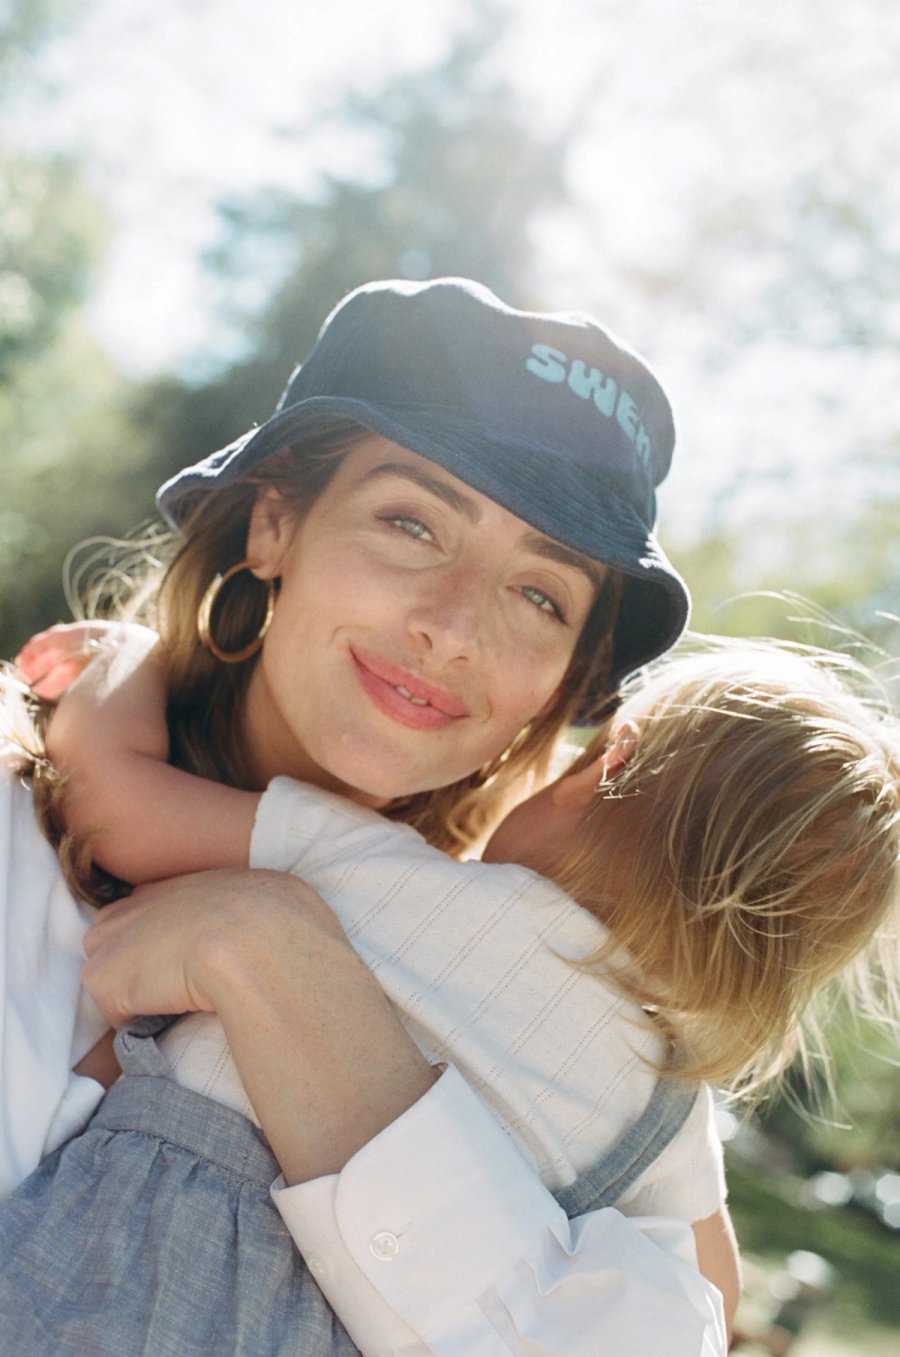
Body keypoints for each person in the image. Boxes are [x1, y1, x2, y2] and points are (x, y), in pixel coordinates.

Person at [0, 276, 734, 1356]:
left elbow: (694, 1322)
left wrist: (295, 975)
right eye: (412, 521)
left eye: (541, 594)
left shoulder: (540, 998)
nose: (452, 629)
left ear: (565, 683)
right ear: (272, 523)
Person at [10, 625, 900, 1357]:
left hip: (118, 1256)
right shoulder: (664, 1107)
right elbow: (714, 1290)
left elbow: (110, 806)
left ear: (601, 768)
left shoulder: (377, 865)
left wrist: (129, 662)